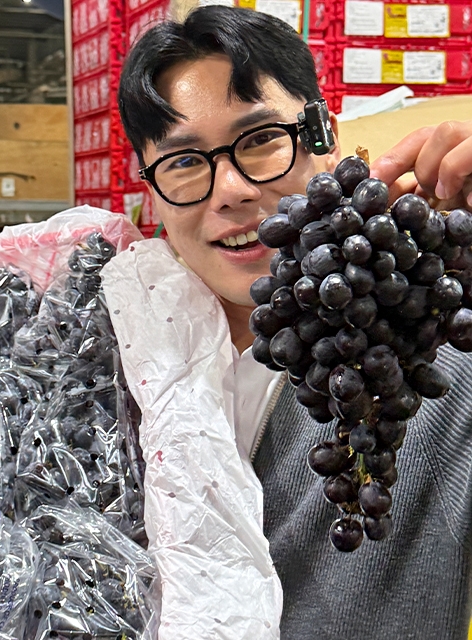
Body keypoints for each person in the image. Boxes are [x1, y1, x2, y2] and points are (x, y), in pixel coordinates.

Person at [117, 5, 472, 639]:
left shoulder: (430, 361)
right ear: (150, 190)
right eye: (183, 162)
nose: (230, 189)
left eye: (260, 140)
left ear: (322, 136)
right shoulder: (106, 365)